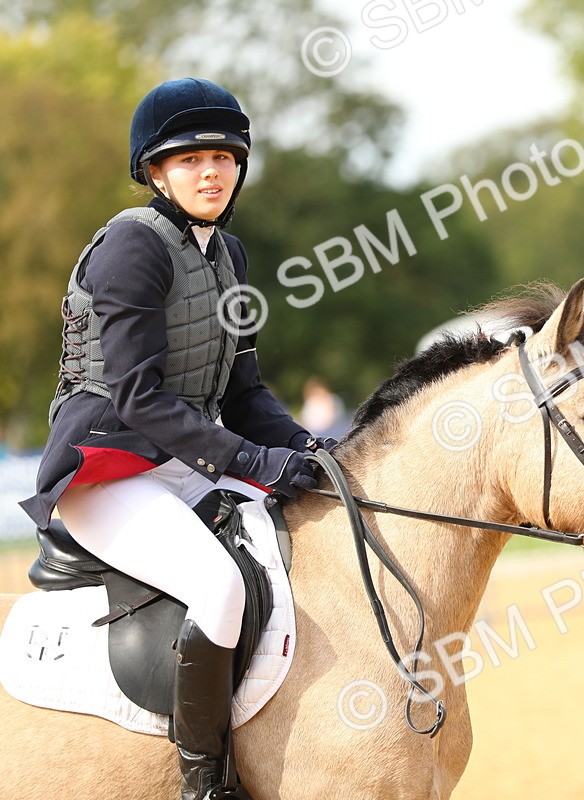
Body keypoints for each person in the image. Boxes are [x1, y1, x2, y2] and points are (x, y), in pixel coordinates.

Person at [19, 78, 332, 800]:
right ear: (156, 172)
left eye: (225, 157)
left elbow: (244, 394)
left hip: (181, 462)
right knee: (219, 585)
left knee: (304, 540)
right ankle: (205, 781)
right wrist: (250, 462)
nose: (212, 171)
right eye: (190, 160)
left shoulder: (229, 256)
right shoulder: (134, 245)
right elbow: (136, 395)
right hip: (107, 470)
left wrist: (314, 454)